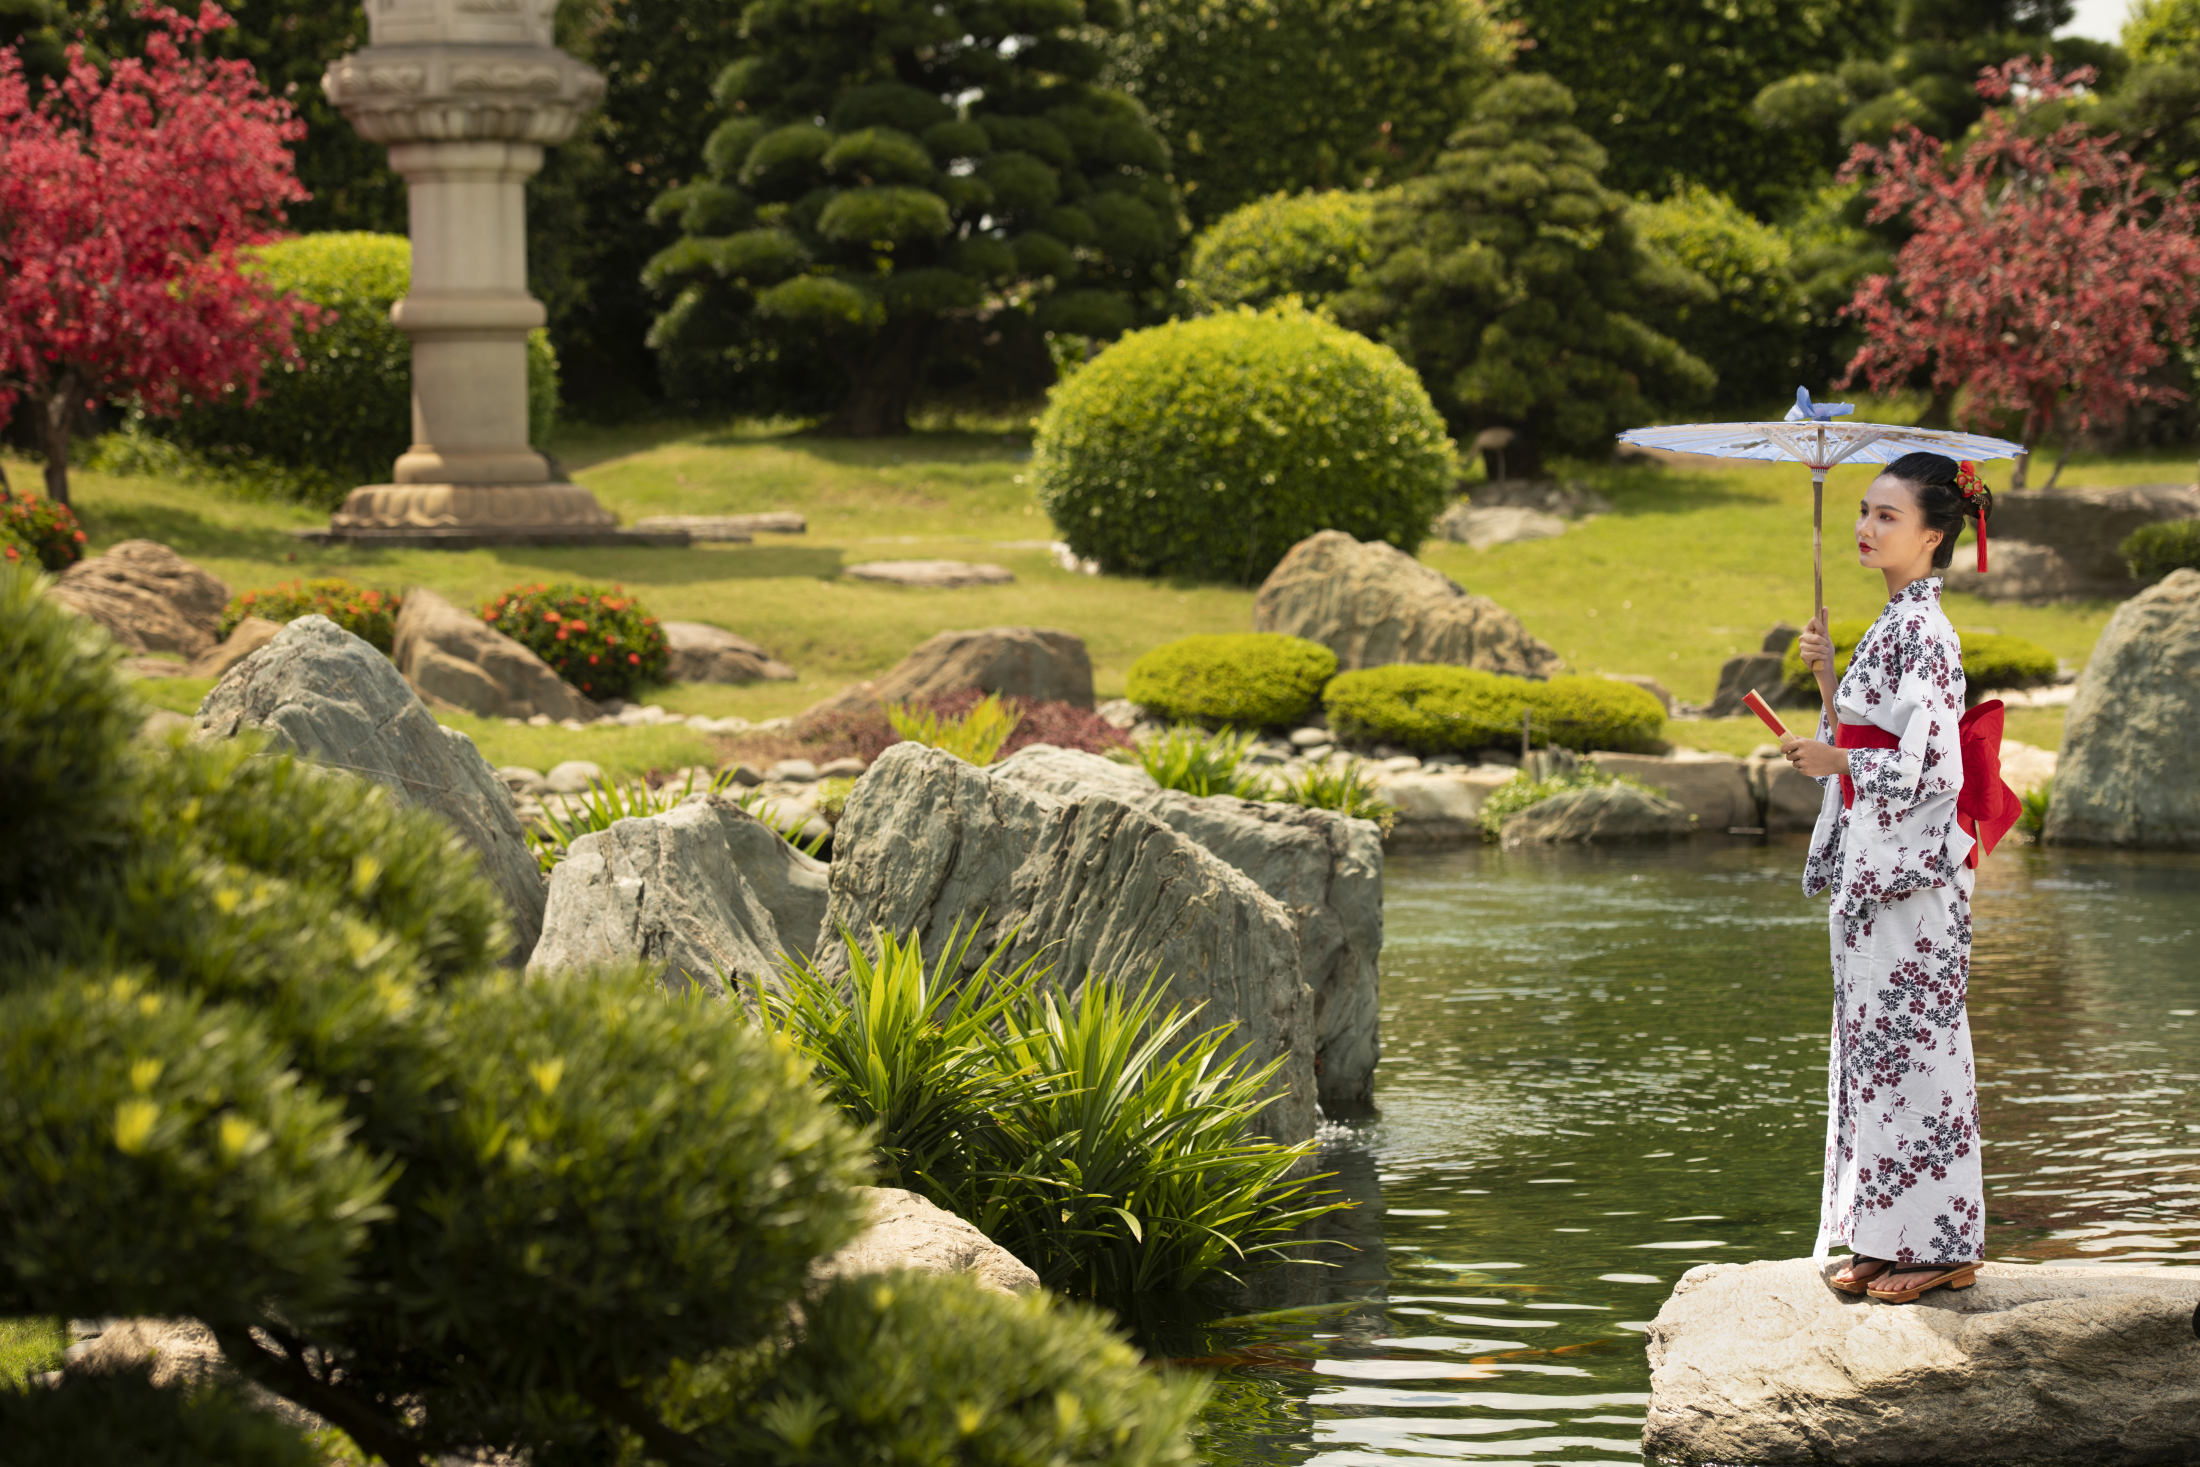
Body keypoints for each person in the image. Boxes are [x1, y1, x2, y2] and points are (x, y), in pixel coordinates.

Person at [1780, 451, 1995, 1304]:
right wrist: (1831, 675)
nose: (1866, 528)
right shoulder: (1893, 623)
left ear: (1933, 534)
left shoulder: (1928, 632)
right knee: (1872, 1058)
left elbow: (1931, 766)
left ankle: (1944, 1244)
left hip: (1914, 887)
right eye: (1863, 512)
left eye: (1887, 516)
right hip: (1881, 881)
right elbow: (1874, 733)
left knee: (1921, 1062)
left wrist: (1834, 754)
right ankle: (1881, 1235)